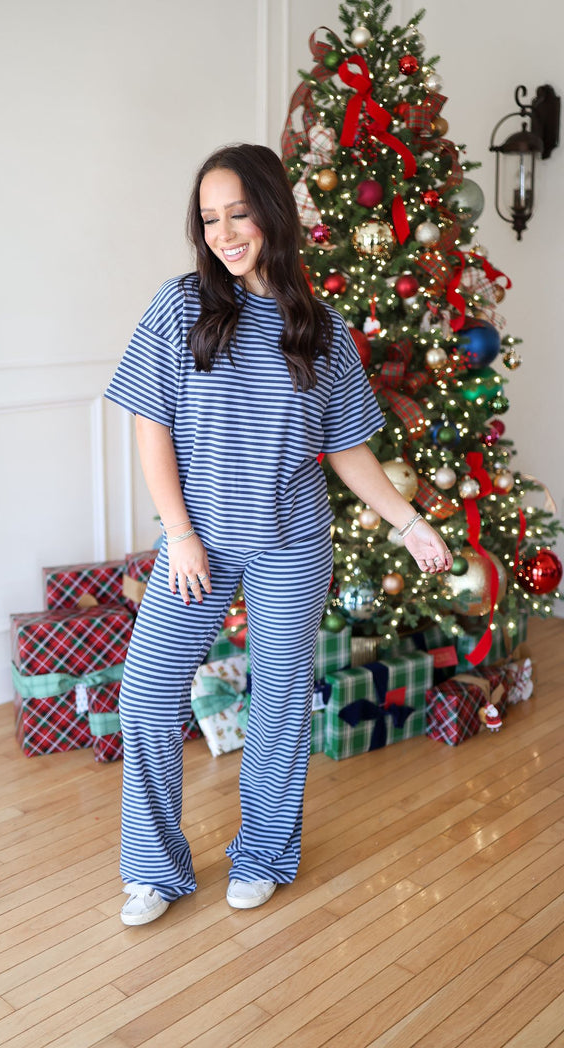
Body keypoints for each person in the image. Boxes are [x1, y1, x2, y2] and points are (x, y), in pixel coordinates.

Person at [104, 143, 453, 926]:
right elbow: (149, 423)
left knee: (281, 702)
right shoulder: (179, 306)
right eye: (209, 218)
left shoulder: (319, 326)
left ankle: (262, 854)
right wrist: (180, 534)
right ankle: (157, 869)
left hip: (292, 540)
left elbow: (348, 447)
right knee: (149, 697)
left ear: (272, 212)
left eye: (238, 213)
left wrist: (409, 522)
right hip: (199, 541)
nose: (224, 232)